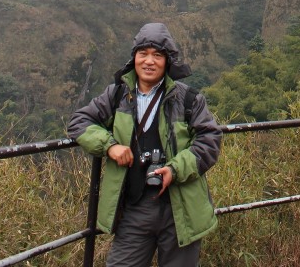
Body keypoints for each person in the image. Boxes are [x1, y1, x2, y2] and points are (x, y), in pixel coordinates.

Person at [68, 22, 221, 267]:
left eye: (157, 55)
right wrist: (109, 145)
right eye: (143, 54)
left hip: (180, 209)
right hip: (134, 208)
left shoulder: (188, 99)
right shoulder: (117, 95)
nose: (149, 61)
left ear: (168, 61)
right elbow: (79, 122)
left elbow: (210, 140)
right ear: (134, 58)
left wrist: (175, 169)